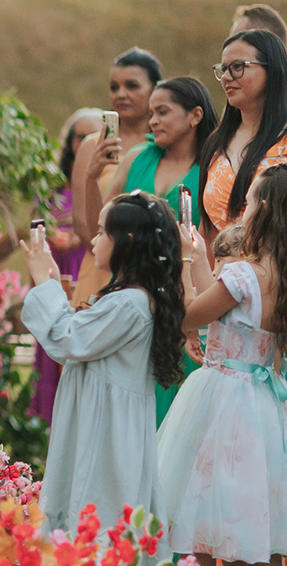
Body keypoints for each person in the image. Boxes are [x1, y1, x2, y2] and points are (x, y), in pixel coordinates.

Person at [20, 192, 183, 540]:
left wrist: (44, 281)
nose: (92, 241)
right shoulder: (127, 299)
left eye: (100, 232)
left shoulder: (129, 303)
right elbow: (78, 339)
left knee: (98, 526)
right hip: (104, 428)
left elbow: (67, 340)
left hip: (107, 437)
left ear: (126, 240)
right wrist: (50, 278)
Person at [159, 165, 287, 566]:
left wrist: (186, 259)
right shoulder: (279, 277)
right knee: (257, 529)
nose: (243, 209)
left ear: (263, 209)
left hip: (224, 404)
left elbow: (190, 314)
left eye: (249, 201)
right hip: (264, 408)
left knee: (210, 520)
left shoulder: (242, 275)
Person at [103, 76, 218, 425]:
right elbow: (102, 226)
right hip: (133, 300)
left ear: (195, 115)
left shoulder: (216, 168)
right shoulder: (139, 157)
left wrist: (194, 319)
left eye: (162, 112)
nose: (152, 121)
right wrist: (89, 174)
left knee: (174, 419)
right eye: (151, 113)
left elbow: (214, 245)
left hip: (186, 306)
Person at [70, 47, 162, 308]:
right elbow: (80, 222)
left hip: (151, 277)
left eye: (132, 85)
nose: (120, 94)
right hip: (100, 271)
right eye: (114, 87)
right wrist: (118, 264)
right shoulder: (91, 146)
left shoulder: (164, 145)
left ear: (156, 89)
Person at [27, 108, 99, 423]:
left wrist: (77, 236)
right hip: (54, 265)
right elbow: (37, 225)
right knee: (52, 337)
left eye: (91, 134)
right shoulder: (53, 186)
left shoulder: (105, 179)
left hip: (86, 265)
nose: (84, 141)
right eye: (78, 135)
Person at [200, 29, 287, 238]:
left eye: (238, 67)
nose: (227, 77)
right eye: (223, 69)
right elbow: (209, 232)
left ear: (272, 70)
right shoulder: (216, 143)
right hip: (222, 270)